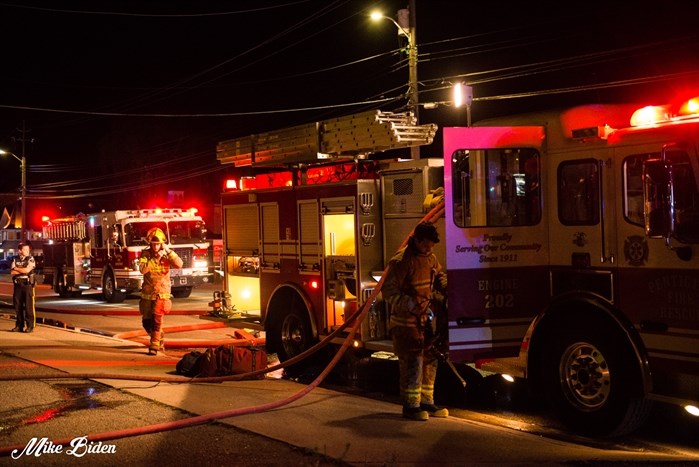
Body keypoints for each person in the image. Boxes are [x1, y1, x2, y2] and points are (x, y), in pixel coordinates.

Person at [383, 221, 448, 421]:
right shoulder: (402, 261)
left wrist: (448, 288)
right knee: (413, 363)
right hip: (405, 323)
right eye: (426, 244)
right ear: (417, 240)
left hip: (425, 321)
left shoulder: (430, 258)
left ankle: (427, 402)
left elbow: (439, 277)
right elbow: (388, 291)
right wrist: (410, 305)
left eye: (432, 245)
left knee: (430, 360)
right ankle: (411, 406)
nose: (429, 248)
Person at [138, 227, 183, 355]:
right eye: (153, 244)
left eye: (158, 244)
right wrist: (155, 258)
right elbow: (143, 270)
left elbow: (179, 264)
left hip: (162, 293)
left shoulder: (168, 255)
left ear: (162, 244)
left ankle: (154, 346)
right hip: (147, 294)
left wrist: (168, 252)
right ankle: (159, 337)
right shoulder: (145, 255)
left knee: (157, 320)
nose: (156, 246)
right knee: (147, 322)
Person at [10, 241, 37, 333]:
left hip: (27, 284)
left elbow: (27, 270)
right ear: (20, 250)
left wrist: (17, 269)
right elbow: (12, 272)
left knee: (29, 306)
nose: (27, 251)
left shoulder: (30, 259)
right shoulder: (15, 259)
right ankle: (19, 326)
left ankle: (30, 326)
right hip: (17, 285)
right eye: (24, 249)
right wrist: (21, 270)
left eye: (28, 249)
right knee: (18, 306)